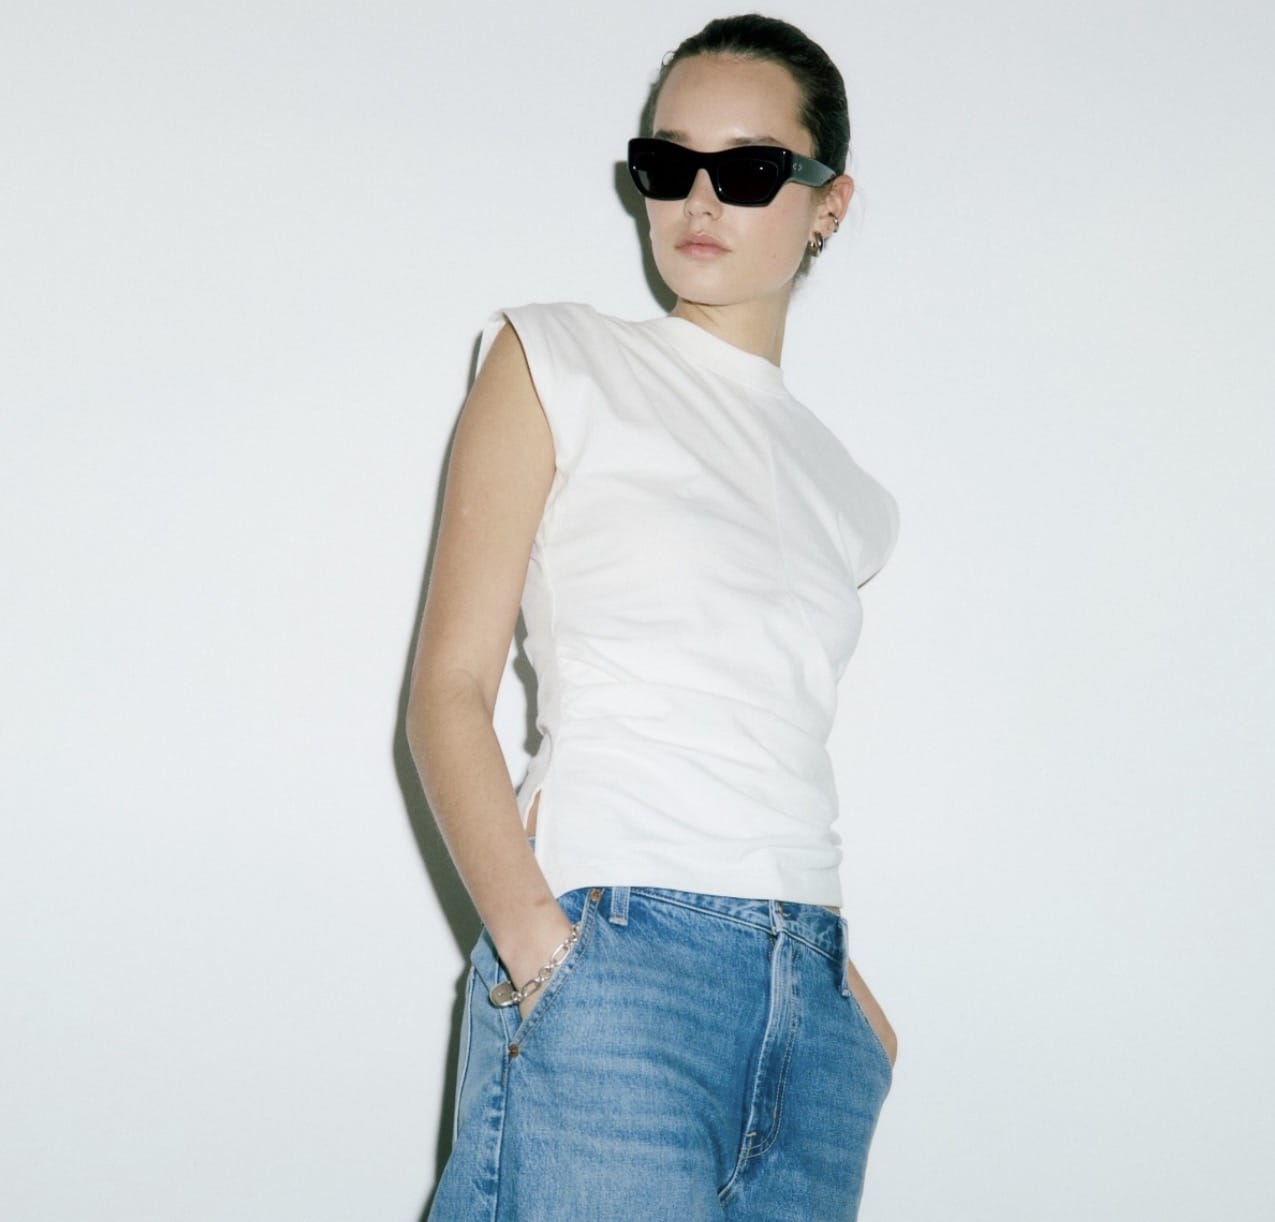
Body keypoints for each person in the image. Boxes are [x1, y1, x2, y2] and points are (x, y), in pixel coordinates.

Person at [408, 14, 901, 1219]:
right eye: (668, 164)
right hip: (615, 966)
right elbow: (448, 692)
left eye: (749, 169)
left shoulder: (851, 496)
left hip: (814, 1008)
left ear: (829, 204)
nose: (699, 200)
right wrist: (538, 946)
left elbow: (765, 728)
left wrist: (862, 1020)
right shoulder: (558, 358)